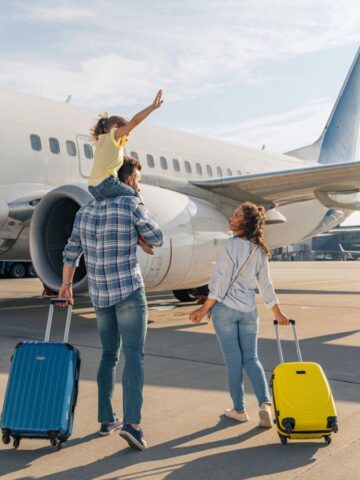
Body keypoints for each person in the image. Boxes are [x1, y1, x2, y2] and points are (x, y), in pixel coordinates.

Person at [59, 157, 164, 451]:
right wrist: (139, 206)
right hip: (129, 292)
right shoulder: (131, 204)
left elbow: (70, 254)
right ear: (128, 180)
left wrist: (66, 286)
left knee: (108, 356)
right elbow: (158, 236)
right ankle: (133, 424)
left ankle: (106, 419)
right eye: (138, 181)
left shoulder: (86, 210)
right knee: (134, 355)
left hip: (100, 296)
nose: (139, 185)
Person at [189, 201, 289, 428]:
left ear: (244, 222)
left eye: (235, 215)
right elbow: (266, 285)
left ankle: (239, 410)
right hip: (248, 311)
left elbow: (221, 281)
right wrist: (277, 312)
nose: (231, 218)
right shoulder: (259, 249)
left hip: (224, 310)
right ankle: (265, 405)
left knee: (234, 362)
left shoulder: (230, 245)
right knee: (252, 358)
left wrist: (205, 307)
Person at [88, 89, 163, 201]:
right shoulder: (114, 135)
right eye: (126, 133)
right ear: (115, 127)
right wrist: (152, 107)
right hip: (107, 183)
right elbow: (134, 121)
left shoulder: (101, 140)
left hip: (93, 187)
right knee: (136, 197)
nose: (127, 137)